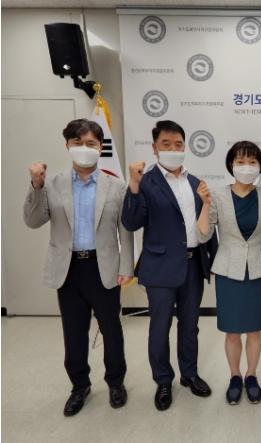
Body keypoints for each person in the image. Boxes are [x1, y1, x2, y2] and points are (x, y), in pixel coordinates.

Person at [23, 119, 134, 416]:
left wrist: (127, 266)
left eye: (91, 143)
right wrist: (35, 185)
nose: (84, 148)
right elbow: (33, 221)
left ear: (100, 147)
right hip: (68, 269)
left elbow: (125, 231)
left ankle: (115, 382)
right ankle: (79, 386)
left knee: (111, 330)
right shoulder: (52, 184)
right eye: (78, 143)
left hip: (103, 267)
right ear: (67, 146)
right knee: (74, 332)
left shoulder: (116, 186)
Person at [121, 120, 218, 411]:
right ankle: (163, 380)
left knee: (190, 325)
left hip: (193, 265)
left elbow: (207, 222)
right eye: (166, 144)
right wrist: (133, 186)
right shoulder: (145, 182)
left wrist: (211, 260)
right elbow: (131, 222)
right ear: (155, 148)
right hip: (160, 267)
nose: (173, 149)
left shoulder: (195, 182)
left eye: (178, 144)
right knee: (160, 327)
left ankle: (190, 374)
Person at [197, 141, 261, 405]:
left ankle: (251, 375)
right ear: (231, 165)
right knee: (232, 331)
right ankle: (235, 376)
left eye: (252, 162)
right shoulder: (217, 196)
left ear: (260, 166)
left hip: (258, 271)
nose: (246, 166)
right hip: (228, 271)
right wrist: (204, 204)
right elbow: (203, 235)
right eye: (240, 161)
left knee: (254, 330)